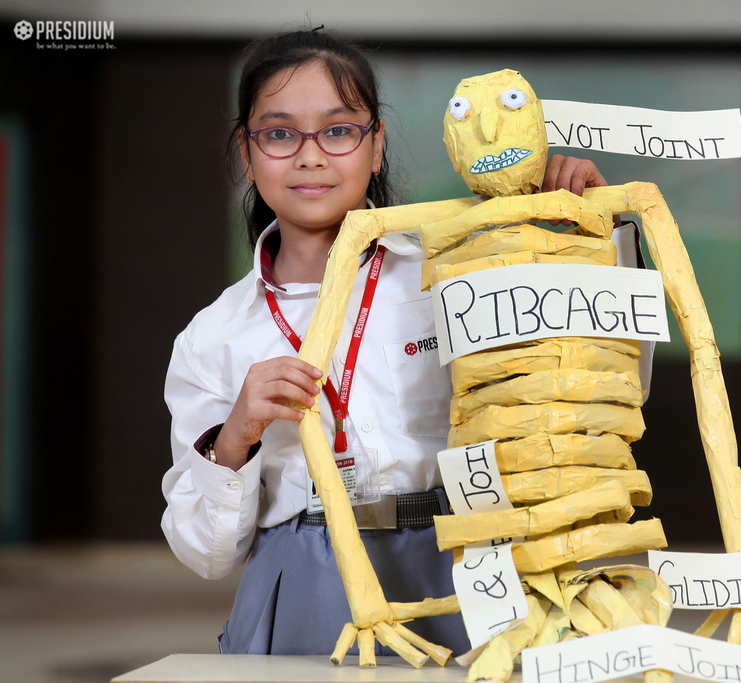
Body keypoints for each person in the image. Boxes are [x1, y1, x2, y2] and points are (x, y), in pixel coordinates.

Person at [160, 29, 617, 656]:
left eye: (339, 130)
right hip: (308, 581)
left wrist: (582, 235)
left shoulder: (453, 275)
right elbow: (206, 555)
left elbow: (593, 390)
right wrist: (235, 435)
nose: (311, 156)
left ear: (375, 146)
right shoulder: (212, 335)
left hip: (466, 559)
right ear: (247, 152)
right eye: (280, 132)